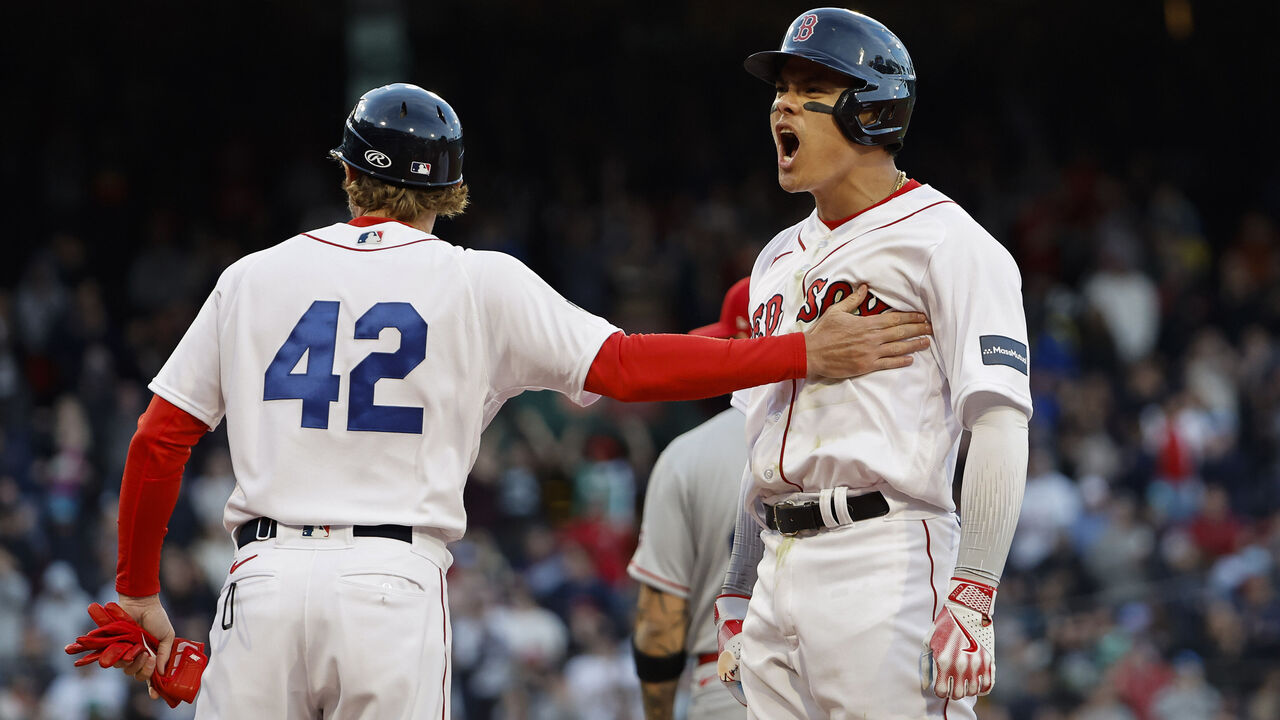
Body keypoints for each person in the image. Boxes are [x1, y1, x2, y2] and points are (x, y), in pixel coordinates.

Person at [102, 82, 934, 719]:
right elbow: (629, 369)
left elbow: (157, 442)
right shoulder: (479, 281)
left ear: (349, 172)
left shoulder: (252, 276)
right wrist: (796, 347)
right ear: (450, 190)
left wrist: (138, 588)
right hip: (391, 582)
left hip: (265, 577)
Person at [713, 9, 1032, 720]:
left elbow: (1001, 421)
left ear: (872, 112)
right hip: (779, 561)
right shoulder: (772, 262)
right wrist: (737, 589)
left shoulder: (949, 242)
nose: (782, 104)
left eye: (809, 87)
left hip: (885, 558)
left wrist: (975, 589)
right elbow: (757, 437)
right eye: (780, 89)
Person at [627, 277, 752, 720]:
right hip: (850, 678)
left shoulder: (688, 455)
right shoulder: (858, 446)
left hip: (731, 686)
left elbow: (659, 625)